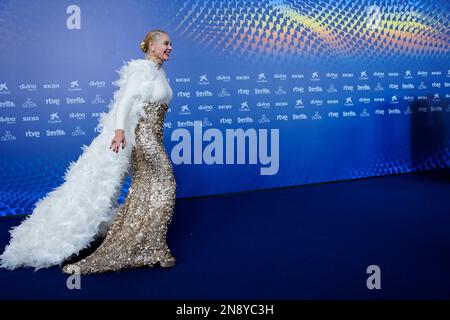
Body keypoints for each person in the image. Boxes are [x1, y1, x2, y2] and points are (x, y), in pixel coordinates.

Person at [0, 29, 176, 274]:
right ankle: (148, 244)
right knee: (165, 184)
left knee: (148, 188)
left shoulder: (159, 72)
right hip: (144, 138)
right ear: (152, 46)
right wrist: (119, 132)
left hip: (155, 137)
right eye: (166, 43)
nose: (170, 47)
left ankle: (146, 242)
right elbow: (125, 101)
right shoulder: (142, 70)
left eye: (170, 44)